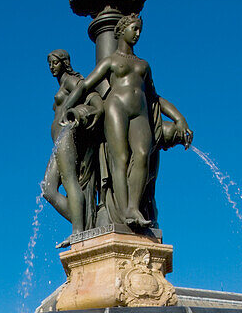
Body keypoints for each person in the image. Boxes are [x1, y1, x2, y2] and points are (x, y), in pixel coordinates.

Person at [63, 14, 192, 232]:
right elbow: (86, 86)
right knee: (120, 158)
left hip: (140, 111)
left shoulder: (144, 65)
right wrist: (68, 107)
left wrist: (179, 118)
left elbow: (155, 97)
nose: (138, 33)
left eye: (140, 29)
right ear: (122, 31)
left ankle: (134, 207)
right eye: (134, 28)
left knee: (142, 155)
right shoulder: (111, 61)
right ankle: (123, 212)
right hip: (117, 107)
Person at [41, 50, 104, 233]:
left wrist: (74, 107)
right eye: (50, 64)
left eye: (55, 62)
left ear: (64, 63)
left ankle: (78, 231)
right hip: (59, 140)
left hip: (67, 136)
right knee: (48, 189)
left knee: (69, 181)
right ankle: (85, 224)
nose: (52, 67)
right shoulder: (62, 85)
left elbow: (87, 90)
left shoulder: (70, 80)